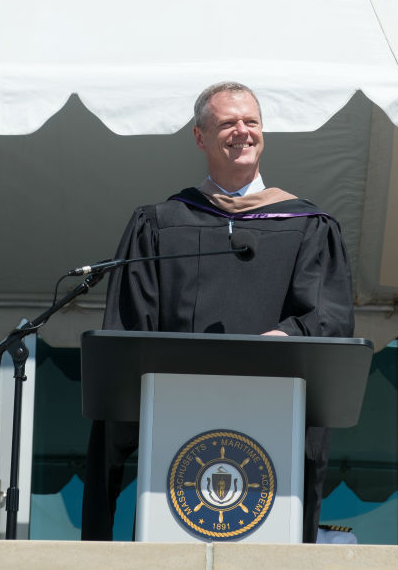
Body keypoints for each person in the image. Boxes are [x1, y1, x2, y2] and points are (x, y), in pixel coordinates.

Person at [82, 81, 355, 543]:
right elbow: (130, 332)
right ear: (200, 136)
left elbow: (329, 317)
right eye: (228, 123)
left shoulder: (307, 225)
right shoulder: (162, 225)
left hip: (273, 420)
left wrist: (287, 339)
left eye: (251, 122)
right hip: (176, 433)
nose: (242, 132)